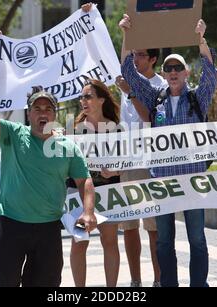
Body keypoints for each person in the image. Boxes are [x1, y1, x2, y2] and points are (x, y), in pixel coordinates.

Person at [0, 55, 97, 287]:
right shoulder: (12, 133)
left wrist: (88, 212)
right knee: (3, 282)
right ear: (29, 114)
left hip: (48, 228)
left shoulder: (68, 147)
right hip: (11, 225)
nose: (42, 113)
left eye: (48, 109)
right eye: (36, 108)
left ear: (55, 115)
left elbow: (85, 182)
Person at [120, 15, 217, 287]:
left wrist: (201, 39)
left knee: (197, 238)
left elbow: (211, 73)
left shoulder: (198, 98)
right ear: (163, 74)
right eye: (168, 68)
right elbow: (129, 73)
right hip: (162, 182)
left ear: (186, 72)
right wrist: (127, 34)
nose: (173, 72)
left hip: (192, 181)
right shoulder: (155, 99)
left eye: (178, 68)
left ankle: (199, 284)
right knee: (164, 241)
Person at [115, 48, 164, 288]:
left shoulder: (161, 85)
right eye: (134, 54)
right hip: (129, 160)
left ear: (153, 59)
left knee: (153, 226)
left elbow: (149, 118)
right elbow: (123, 60)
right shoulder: (126, 81)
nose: (136, 59)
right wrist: (125, 32)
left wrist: (130, 92)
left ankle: (158, 280)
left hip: (151, 160)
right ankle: (135, 281)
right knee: (129, 224)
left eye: (142, 55)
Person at [69, 79, 121, 287]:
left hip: (109, 191)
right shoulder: (74, 130)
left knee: (109, 241)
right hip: (81, 194)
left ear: (101, 100)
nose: (83, 101)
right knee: (79, 242)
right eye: (81, 97)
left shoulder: (116, 129)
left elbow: (127, 161)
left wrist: (116, 170)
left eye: (88, 96)